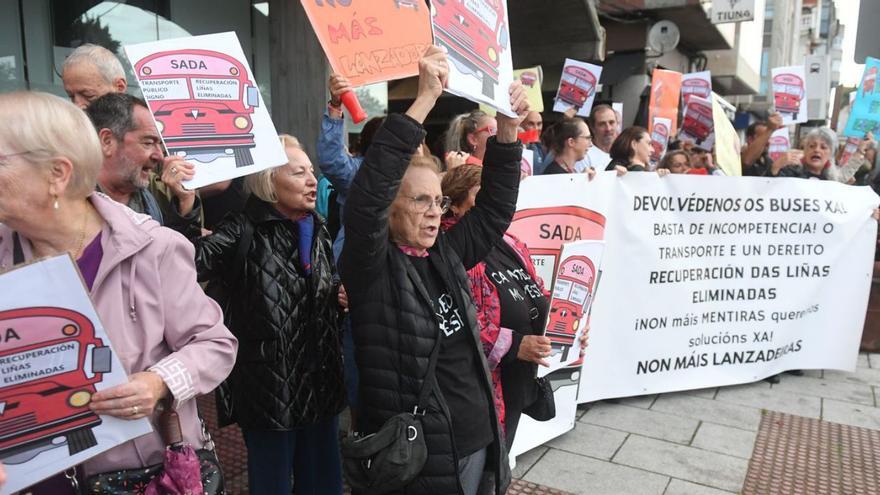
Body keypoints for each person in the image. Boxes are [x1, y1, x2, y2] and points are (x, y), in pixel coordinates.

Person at [0, 91, 237, 493]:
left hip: (138, 476)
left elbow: (216, 344)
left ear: (57, 173)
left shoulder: (152, 248)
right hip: (31, 478)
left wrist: (158, 383)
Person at [341, 46, 529, 495]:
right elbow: (367, 197)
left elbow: (494, 211)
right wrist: (424, 99)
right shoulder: (372, 266)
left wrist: (506, 133)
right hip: (422, 455)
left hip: (480, 435)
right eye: (419, 200)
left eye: (438, 200)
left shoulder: (443, 252)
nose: (433, 212)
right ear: (390, 208)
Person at [193, 135, 346, 495]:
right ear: (269, 182)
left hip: (321, 383)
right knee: (272, 483)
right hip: (269, 390)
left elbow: (323, 286)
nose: (313, 180)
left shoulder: (319, 228)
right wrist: (186, 210)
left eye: (311, 171)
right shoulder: (242, 228)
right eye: (298, 173)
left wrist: (339, 294)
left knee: (323, 483)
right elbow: (186, 261)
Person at [440, 165, 589, 449]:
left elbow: (540, 291)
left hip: (521, 377)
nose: (492, 204)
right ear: (456, 205)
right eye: (482, 197)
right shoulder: (454, 248)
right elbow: (459, 320)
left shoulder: (512, 242)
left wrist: (573, 327)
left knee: (502, 457)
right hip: (484, 382)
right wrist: (514, 344)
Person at [84, 93, 203, 237]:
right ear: (107, 141)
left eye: (160, 145)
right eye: (148, 143)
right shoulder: (68, 206)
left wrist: (184, 204)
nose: (159, 156)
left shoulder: (151, 200)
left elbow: (164, 255)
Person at [61, 43, 128, 109]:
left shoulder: (137, 118)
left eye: (89, 95)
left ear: (120, 87)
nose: (77, 106)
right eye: (71, 96)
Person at [767, 127, 841, 180]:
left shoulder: (833, 182)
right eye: (812, 146)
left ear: (831, 154)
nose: (816, 150)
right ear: (805, 150)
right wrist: (775, 167)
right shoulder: (790, 173)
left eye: (823, 147)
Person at [584, 104, 619, 170]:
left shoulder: (625, 153)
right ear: (592, 128)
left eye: (611, 122)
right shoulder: (585, 155)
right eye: (602, 124)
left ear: (617, 124)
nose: (608, 128)